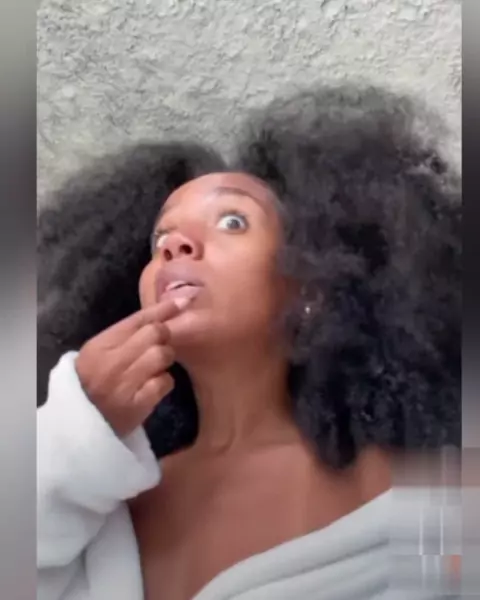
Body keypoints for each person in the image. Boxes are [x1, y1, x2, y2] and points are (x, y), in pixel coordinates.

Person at [37, 85, 461, 600]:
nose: (175, 245)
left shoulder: (399, 487)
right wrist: (77, 429)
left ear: (310, 287)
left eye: (232, 221)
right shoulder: (98, 502)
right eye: (160, 239)